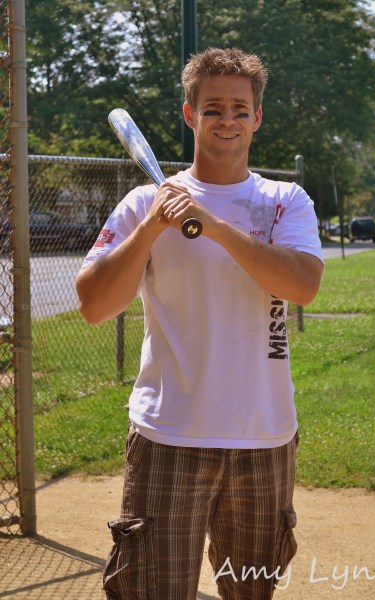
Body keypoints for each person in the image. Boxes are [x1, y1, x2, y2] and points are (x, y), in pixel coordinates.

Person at [76, 47, 324, 600]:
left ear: (257, 117)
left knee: (251, 593)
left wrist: (210, 225)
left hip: (264, 437)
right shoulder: (144, 203)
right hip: (169, 435)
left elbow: (301, 285)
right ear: (191, 114)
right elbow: (94, 306)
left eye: (240, 109)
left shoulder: (284, 200)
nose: (227, 120)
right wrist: (152, 227)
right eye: (213, 108)